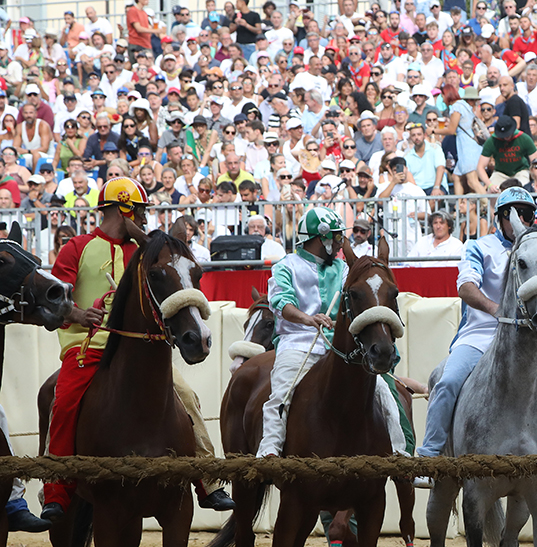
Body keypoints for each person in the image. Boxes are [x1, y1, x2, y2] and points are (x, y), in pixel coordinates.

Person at [42, 177, 233, 521]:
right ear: (122, 209)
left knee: (188, 397)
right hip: (88, 349)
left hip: (141, 352)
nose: (145, 219)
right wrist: (78, 314)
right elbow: (55, 297)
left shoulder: (145, 254)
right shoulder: (77, 247)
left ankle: (207, 480)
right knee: (64, 400)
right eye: (141, 212)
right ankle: (57, 490)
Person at [412, 188, 537, 492]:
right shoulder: (479, 246)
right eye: (515, 214)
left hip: (524, 341)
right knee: (448, 381)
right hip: (478, 335)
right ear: (502, 217)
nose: (521, 220)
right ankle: (428, 457)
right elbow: (465, 286)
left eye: (527, 214)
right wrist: (495, 308)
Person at [256, 207, 407, 459]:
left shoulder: (345, 269)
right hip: (297, 343)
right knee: (282, 392)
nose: (340, 243)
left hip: (338, 348)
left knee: (383, 393)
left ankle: (400, 453)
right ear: (320, 238)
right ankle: (269, 449)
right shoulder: (286, 266)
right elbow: (281, 302)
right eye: (336, 237)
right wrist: (308, 318)